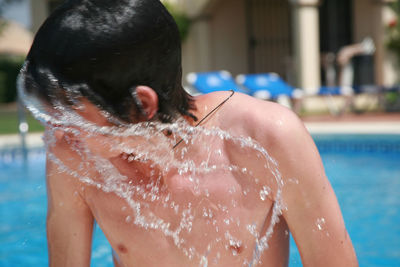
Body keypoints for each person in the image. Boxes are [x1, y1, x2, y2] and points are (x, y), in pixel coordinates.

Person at [20, 0, 358, 266]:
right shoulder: (73, 156)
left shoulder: (264, 139)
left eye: (71, 112)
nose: (56, 128)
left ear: (140, 105)